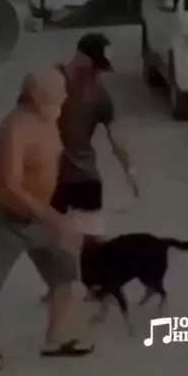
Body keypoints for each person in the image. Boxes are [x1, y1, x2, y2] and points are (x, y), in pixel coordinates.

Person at [0, 67, 94, 372]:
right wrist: (51, 217)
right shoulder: (14, 129)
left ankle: (56, 337)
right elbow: (9, 184)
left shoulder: (47, 121)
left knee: (63, 268)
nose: (64, 98)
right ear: (36, 96)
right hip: (1, 215)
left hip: (38, 214)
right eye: (57, 94)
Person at [41, 32, 138, 301]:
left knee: (92, 239)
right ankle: (57, 286)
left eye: (102, 69)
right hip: (48, 176)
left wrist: (130, 170)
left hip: (84, 177)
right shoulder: (47, 82)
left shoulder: (100, 96)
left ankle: (97, 285)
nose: (99, 74)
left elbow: (116, 137)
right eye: (97, 67)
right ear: (82, 58)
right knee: (50, 238)